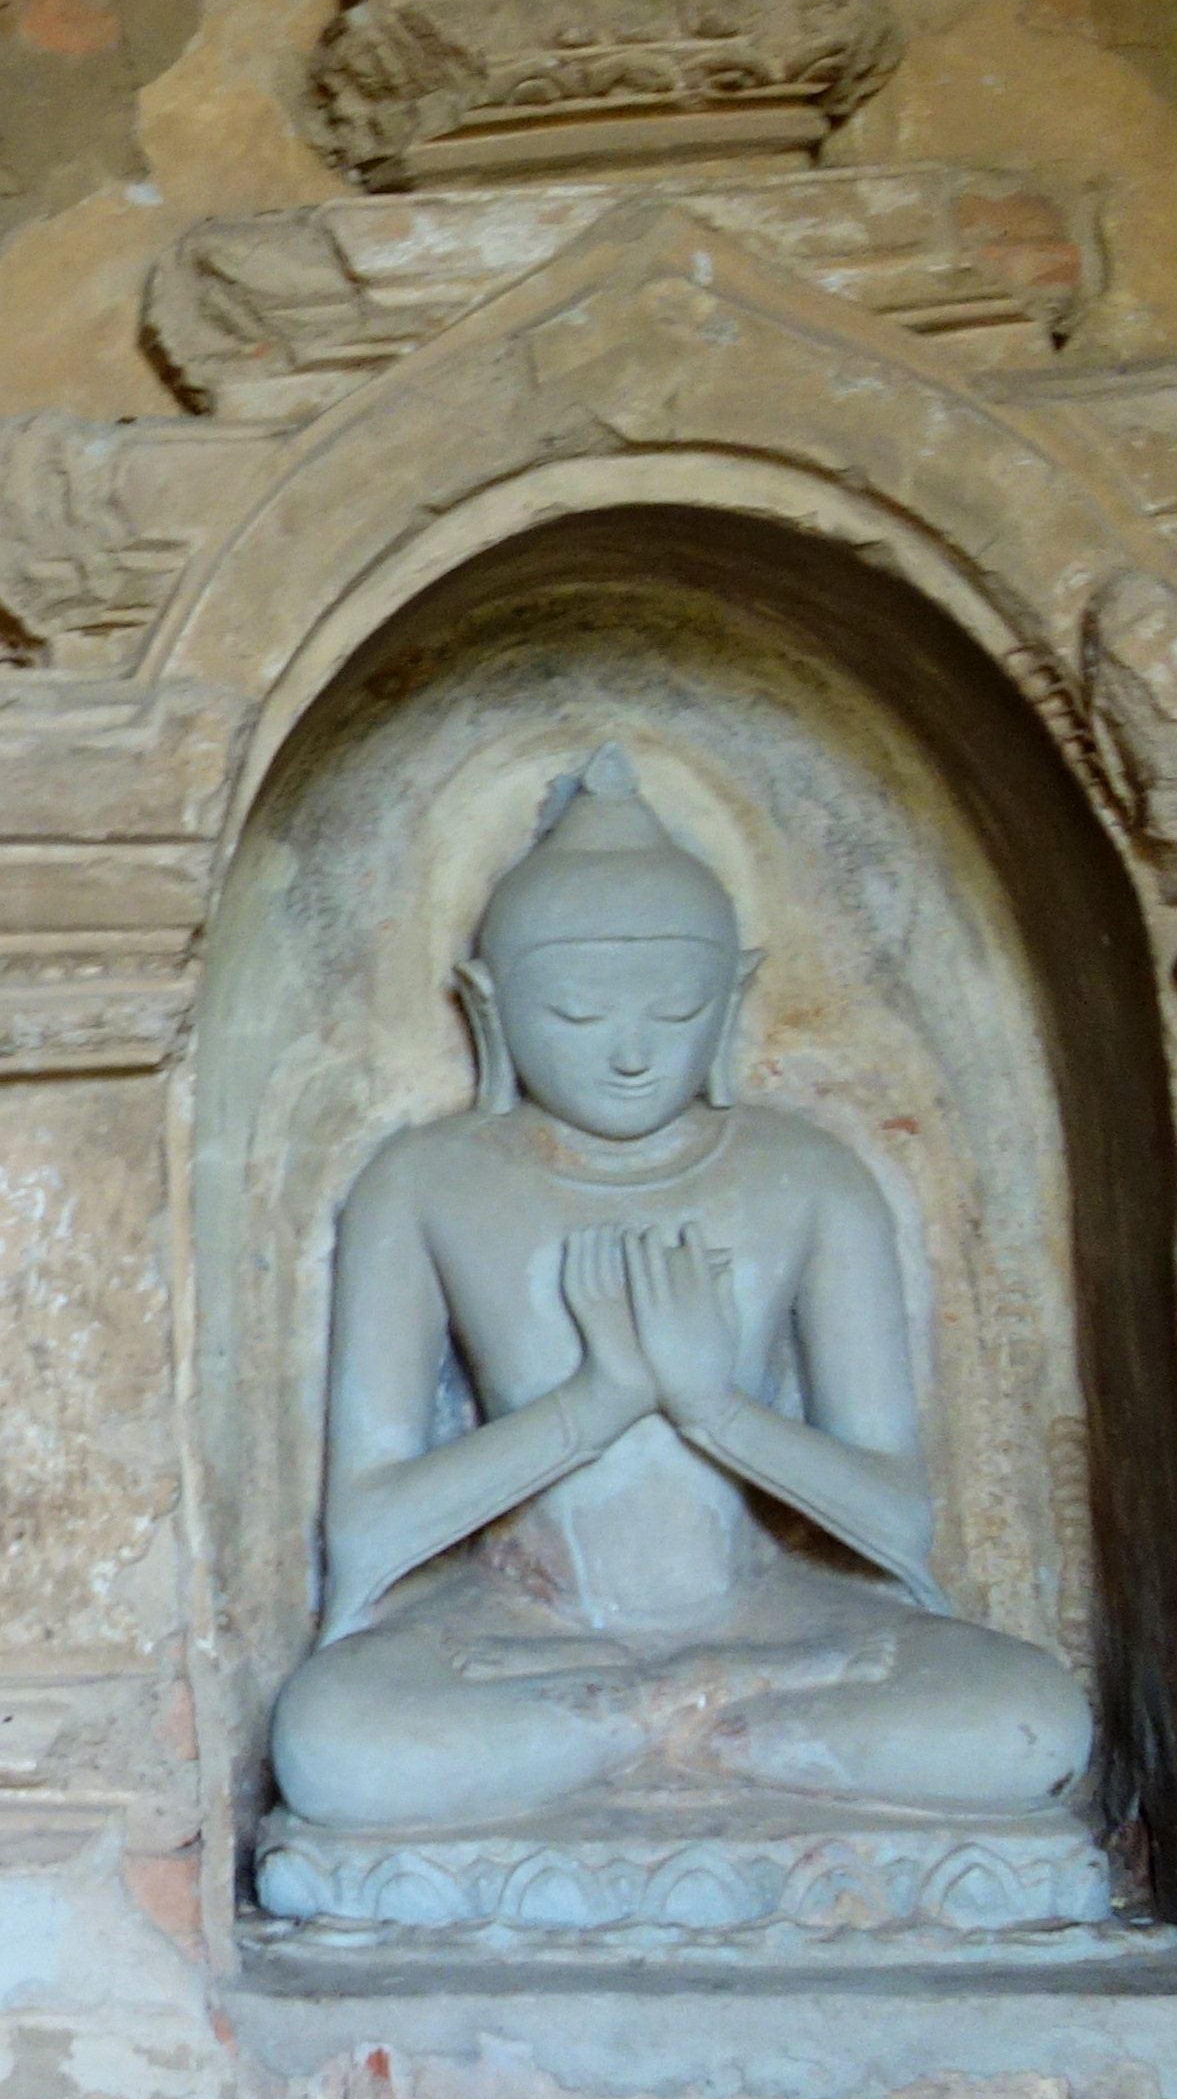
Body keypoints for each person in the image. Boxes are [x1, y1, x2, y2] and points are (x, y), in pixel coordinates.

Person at [267, 748, 1093, 1843]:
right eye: (576, 1016)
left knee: (1031, 1721)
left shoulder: (810, 1176)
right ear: (490, 1009)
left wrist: (714, 1409)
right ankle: (706, 1730)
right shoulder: (423, 1184)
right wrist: (595, 1403)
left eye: (676, 1012)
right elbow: (371, 1525)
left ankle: (639, 1729)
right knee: (332, 1747)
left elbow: (897, 1517)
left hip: (764, 1624)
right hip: (530, 1632)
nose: (629, 1056)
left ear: (732, 1000)